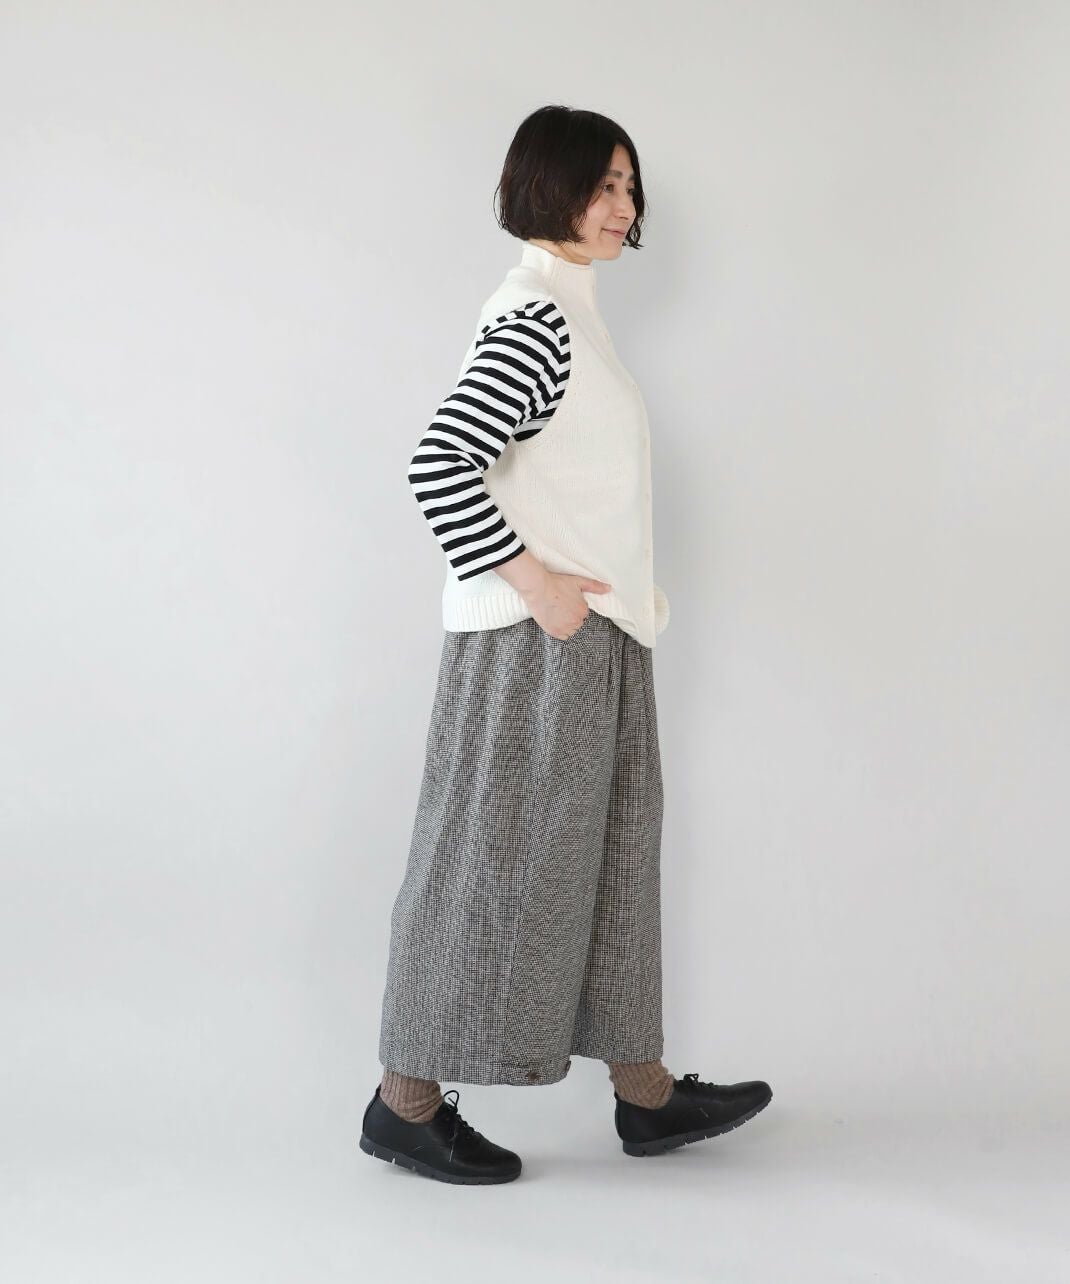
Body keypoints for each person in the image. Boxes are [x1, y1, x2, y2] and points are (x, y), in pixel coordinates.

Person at [360, 105, 772, 1184]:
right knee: (488, 861)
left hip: (601, 640)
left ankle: (645, 1096)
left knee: (616, 858)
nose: (621, 206)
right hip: (533, 648)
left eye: (628, 186)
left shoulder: (574, 319)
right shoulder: (535, 318)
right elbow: (440, 464)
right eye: (600, 185)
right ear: (546, 188)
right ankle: (404, 1104)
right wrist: (537, 586)